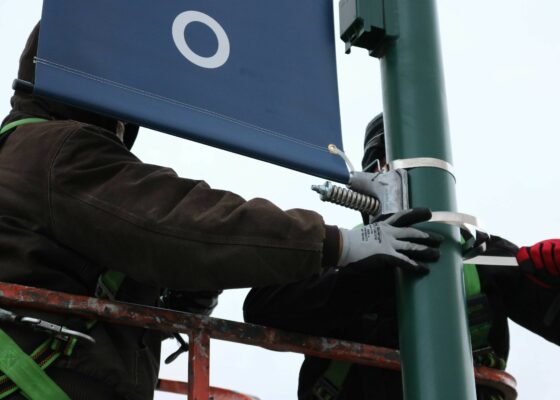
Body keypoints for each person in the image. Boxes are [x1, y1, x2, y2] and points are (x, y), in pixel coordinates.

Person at [0, 26, 445, 400]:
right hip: (39, 382)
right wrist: (339, 243)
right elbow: (179, 222)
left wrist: (175, 294)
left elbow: (100, 254)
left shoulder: (28, 151)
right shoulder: (57, 151)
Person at [243, 113, 560, 400]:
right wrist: (368, 273)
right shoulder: (341, 250)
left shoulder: (477, 257)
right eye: (381, 167)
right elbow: (262, 308)